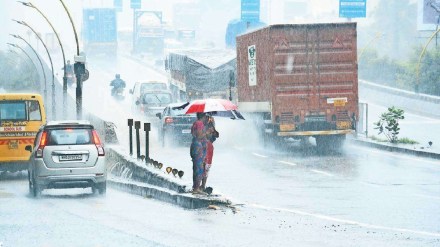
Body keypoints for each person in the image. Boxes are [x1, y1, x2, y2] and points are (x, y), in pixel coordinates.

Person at [190, 112, 208, 194]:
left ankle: (195, 187)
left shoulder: (195, 123)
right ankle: (196, 188)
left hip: (195, 146)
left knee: (196, 167)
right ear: (203, 116)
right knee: (199, 168)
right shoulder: (199, 123)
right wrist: (207, 133)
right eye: (205, 116)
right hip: (198, 148)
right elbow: (199, 135)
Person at [201, 114, 219, 192]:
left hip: (209, 147)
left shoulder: (211, 123)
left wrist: (214, 131)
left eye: (208, 117)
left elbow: (217, 135)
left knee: (207, 167)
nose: (207, 118)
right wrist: (207, 132)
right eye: (206, 117)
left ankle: (203, 185)